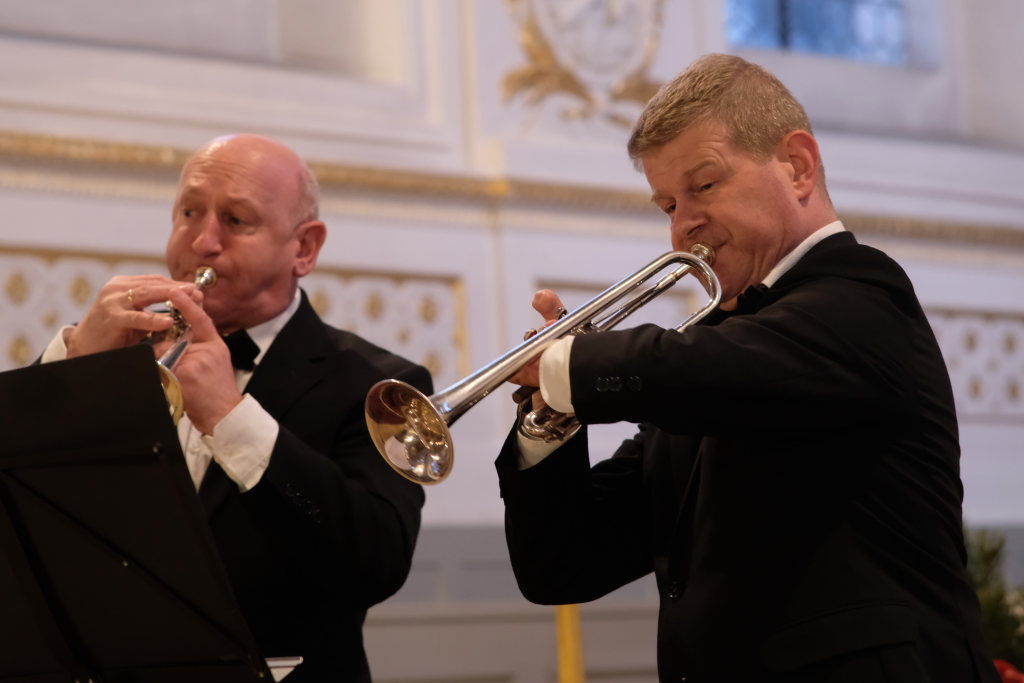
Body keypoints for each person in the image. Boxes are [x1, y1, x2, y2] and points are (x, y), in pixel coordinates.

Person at [497, 54, 1000, 683]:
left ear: (798, 165)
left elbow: (714, 370)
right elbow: (563, 566)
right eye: (667, 204)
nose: (684, 224)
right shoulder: (708, 361)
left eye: (704, 186)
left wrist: (568, 363)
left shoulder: (865, 296)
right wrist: (547, 421)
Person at [41, 134, 432, 682]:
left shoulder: (377, 384)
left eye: (236, 220)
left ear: (304, 248)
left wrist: (231, 417)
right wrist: (73, 364)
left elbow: (374, 563)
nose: (203, 242)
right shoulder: (116, 358)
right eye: (189, 213)